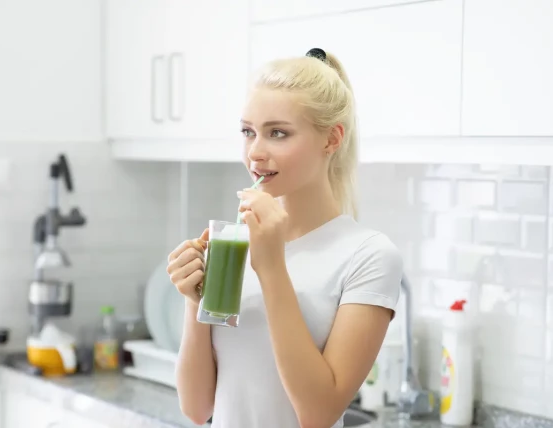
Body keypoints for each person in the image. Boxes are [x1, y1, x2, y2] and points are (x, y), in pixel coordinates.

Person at [166, 48, 403, 428]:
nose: (255, 153)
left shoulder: (369, 256)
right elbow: (196, 408)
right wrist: (194, 305)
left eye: (278, 133)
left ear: (332, 139)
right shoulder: (233, 244)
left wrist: (272, 267)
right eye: (248, 132)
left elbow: (318, 413)